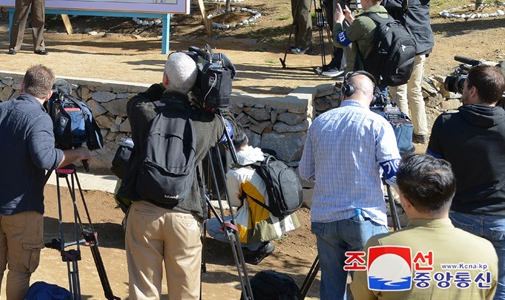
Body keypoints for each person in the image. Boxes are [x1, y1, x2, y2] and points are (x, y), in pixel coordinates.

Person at [119, 52, 226, 300]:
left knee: (143, 292)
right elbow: (225, 119)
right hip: (185, 214)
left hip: (144, 211)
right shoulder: (204, 123)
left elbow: (142, 97)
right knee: (186, 293)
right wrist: (201, 88)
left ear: (165, 80)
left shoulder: (143, 112)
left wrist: (171, 81)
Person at [0, 65, 90, 300]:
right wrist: (76, 153)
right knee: (20, 270)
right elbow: (46, 158)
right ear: (49, 95)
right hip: (21, 208)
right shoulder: (39, 118)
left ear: (22, 86)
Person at [299, 71, 401, 300]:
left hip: (325, 219)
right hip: (365, 220)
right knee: (372, 290)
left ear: (344, 91)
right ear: (372, 97)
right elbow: (393, 175)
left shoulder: (320, 122)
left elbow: (305, 173)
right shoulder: (378, 123)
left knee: (332, 290)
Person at [351, 153, 499, 300]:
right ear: (451, 194)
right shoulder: (485, 250)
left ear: (405, 201)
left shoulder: (381, 249)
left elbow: (363, 296)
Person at [428, 65, 505, 300]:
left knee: (458, 288)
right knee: (500, 289)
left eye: (463, 85)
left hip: (459, 217)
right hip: (501, 220)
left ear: (472, 91)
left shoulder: (446, 123)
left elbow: (431, 171)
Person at [203, 129, 298, 265]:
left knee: (211, 226)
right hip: (282, 219)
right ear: (247, 140)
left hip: (262, 222)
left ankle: (258, 246)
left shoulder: (236, 173)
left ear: (228, 148)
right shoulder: (265, 157)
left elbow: (234, 203)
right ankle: (259, 240)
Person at [382, 0, 437, 145]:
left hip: (405, 48)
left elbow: (385, 4)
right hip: (422, 46)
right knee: (415, 90)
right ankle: (420, 132)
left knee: (400, 90)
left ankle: (404, 134)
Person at [334, 0, 390, 80]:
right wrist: (351, 20)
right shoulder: (388, 18)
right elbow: (368, 32)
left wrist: (338, 22)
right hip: (382, 73)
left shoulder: (362, 21)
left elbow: (339, 42)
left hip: (364, 76)